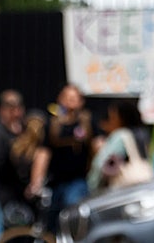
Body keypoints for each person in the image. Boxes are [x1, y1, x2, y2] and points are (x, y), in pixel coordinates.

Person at [43, 83, 93, 231]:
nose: (70, 102)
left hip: (78, 181)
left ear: (81, 102)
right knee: (52, 223)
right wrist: (36, 181)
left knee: (72, 218)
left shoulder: (87, 122)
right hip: (55, 183)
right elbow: (43, 152)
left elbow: (97, 146)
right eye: (66, 98)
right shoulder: (52, 124)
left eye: (74, 98)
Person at [0, 90, 33, 227]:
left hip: (29, 189)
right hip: (8, 190)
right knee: (13, 227)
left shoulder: (27, 128)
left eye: (19, 108)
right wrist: (13, 148)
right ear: (2, 110)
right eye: (11, 109)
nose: (16, 114)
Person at [86, 100, 152, 192]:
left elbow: (101, 163)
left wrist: (99, 151)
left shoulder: (120, 136)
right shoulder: (142, 133)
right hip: (143, 181)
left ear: (121, 118)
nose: (110, 121)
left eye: (112, 117)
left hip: (123, 187)